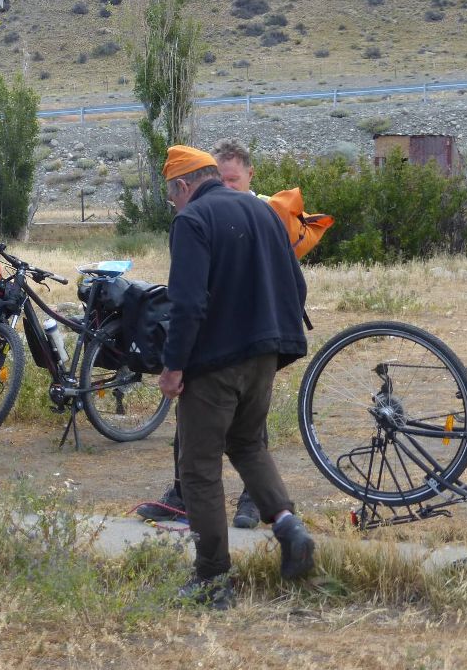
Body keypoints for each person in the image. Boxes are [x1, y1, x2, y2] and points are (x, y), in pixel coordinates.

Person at [158, 145, 315, 608]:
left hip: (215, 364)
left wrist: (173, 367)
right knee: (248, 445)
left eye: (172, 197)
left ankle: (211, 580)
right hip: (265, 353)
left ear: (183, 185)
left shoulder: (192, 221)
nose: (174, 206)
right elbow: (297, 285)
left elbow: (186, 305)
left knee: (199, 467)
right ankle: (288, 526)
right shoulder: (263, 212)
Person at [137, 138, 264, 528]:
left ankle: (244, 511)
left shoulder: (254, 214)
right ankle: (281, 520)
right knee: (196, 429)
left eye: (232, 179)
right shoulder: (217, 216)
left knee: (243, 434)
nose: (226, 187)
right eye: (220, 179)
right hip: (220, 344)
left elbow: (187, 303)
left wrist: (173, 366)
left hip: (240, 344)